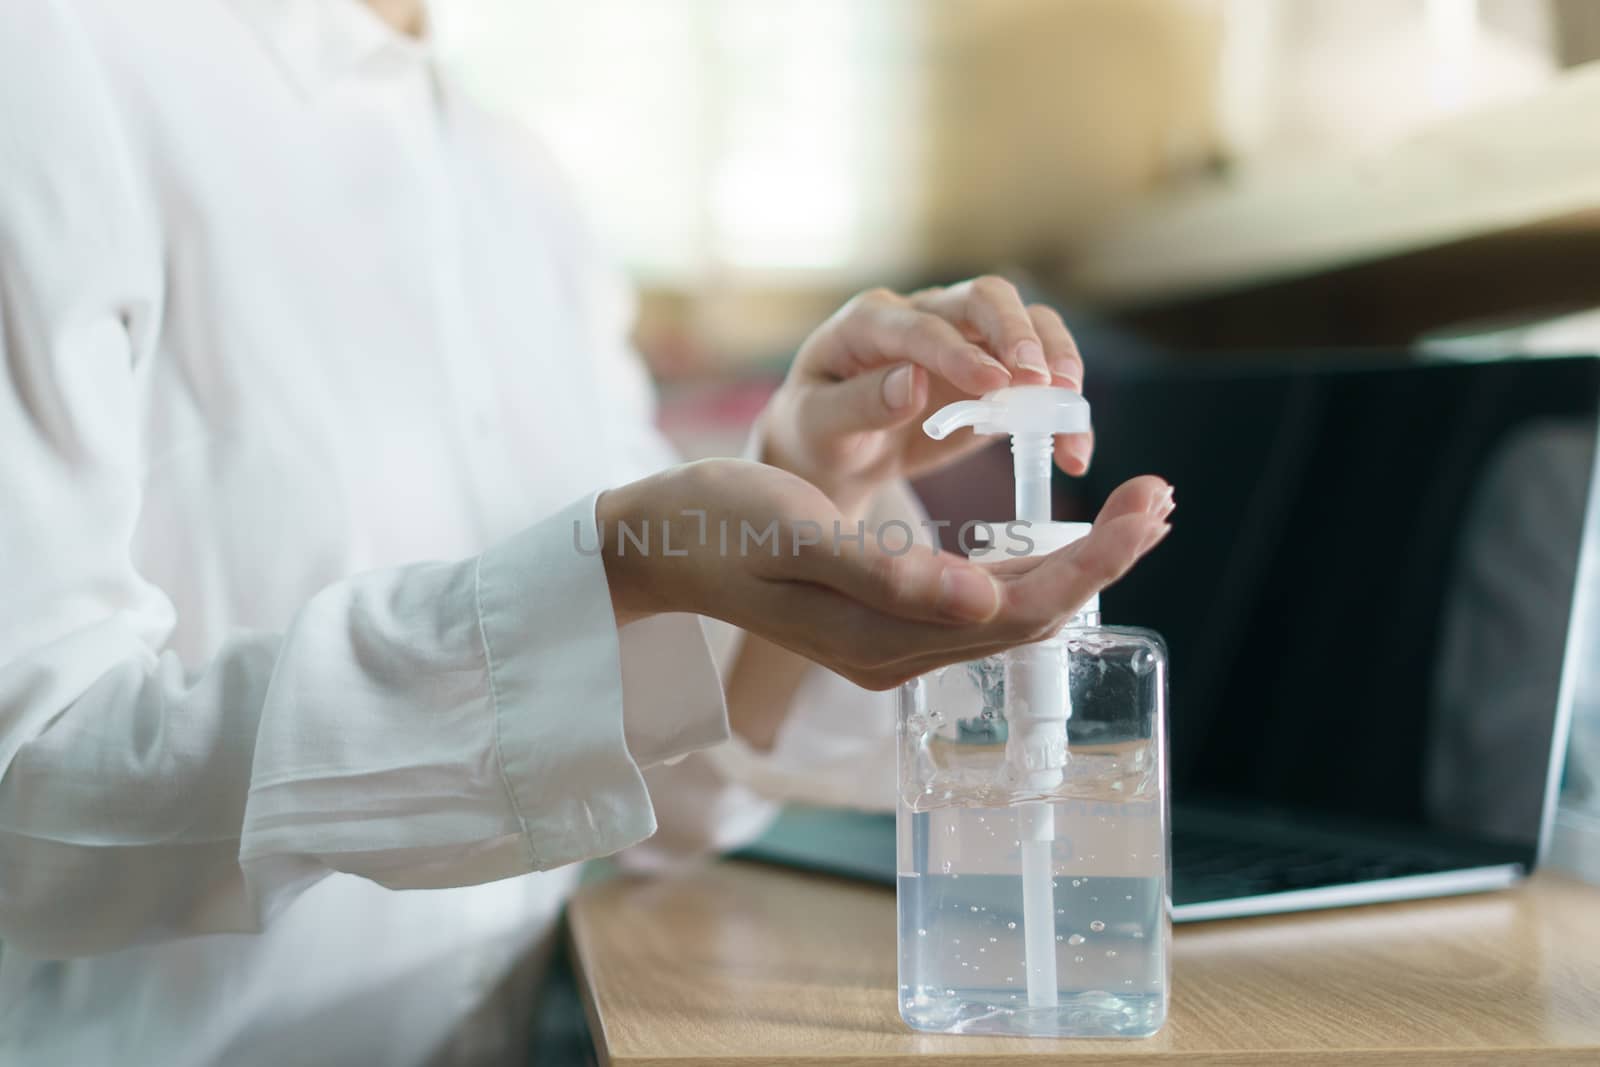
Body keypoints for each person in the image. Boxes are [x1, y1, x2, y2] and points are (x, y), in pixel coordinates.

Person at [0, 1, 1173, 1063]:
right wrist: (616, 570)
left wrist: (816, 471)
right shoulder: (58, 59)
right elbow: (31, 804)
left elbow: (644, 783)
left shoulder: (518, 180)